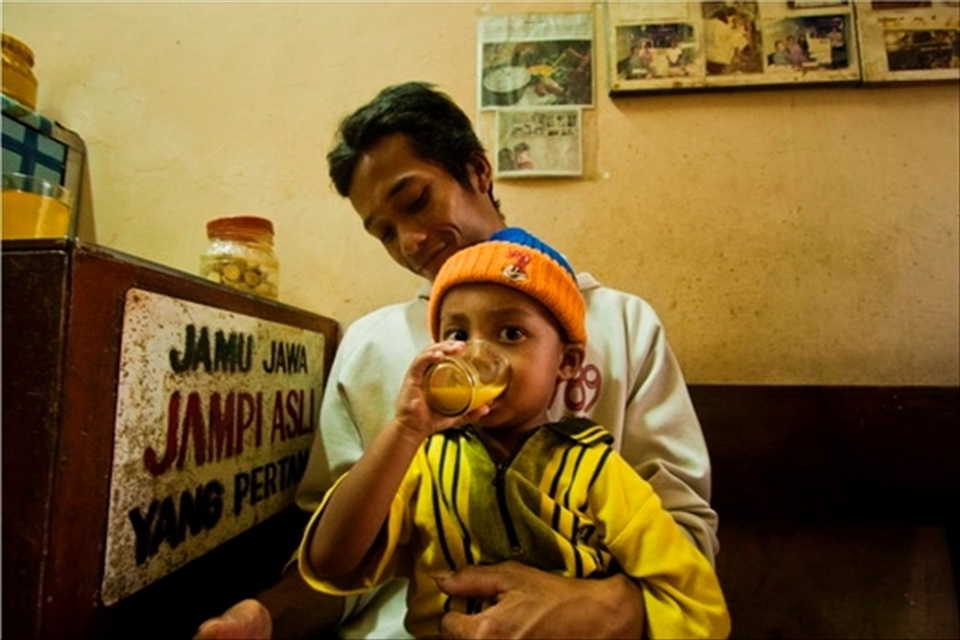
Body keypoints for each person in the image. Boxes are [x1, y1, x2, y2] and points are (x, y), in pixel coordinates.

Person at [196, 81, 717, 640]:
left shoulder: (621, 324)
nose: (410, 242)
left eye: (416, 201)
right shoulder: (371, 346)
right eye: (384, 233)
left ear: (478, 172)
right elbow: (341, 560)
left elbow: (683, 541)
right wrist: (267, 617)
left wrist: (605, 609)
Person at [300, 228, 731, 639]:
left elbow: (697, 604)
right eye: (457, 334)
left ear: (568, 362)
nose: (476, 354)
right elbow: (331, 562)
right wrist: (405, 430)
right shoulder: (425, 466)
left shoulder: (596, 472)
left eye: (511, 333)